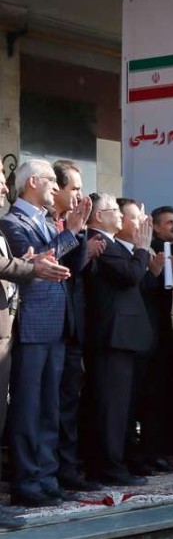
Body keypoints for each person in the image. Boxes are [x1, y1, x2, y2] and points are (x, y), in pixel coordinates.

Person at [1, 159, 88, 507]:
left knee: (50, 406)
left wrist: (75, 232)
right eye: (51, 181)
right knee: (28, 406)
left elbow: (70, 266)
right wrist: (69, 233)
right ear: (33, 182)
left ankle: (47, 476)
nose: (56, 187)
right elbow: (33, 264)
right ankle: (26, 480)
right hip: (32, 323)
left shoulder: (47, 220)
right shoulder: (12, 222)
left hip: (56, 321)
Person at [81, 194, 154, 486]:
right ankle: (109, 466)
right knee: (111, 407)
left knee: (120, 406)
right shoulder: (99, 241)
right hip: (110, 337)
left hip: (122, 337)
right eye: (115, 212)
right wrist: (143, 249)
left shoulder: (110, 243)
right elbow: (130, 274)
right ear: (99, 216)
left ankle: (117, 460)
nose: (122, 218)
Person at [50, 160, 103, 492]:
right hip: (44, 328)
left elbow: (76, 272)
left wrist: (79, 233)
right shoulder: (44, 224)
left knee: (69, 402)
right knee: (47, 407)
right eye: (75, 189)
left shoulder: (73, 226)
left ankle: (66, 469)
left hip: (72, 327)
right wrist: (72, 232)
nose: (80, 197)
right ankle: (45, 471)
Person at [142, 206, 173, 460]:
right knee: (155, 397)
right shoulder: (152, 251)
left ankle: (172, 445)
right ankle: (153, 450)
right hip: (156, 335)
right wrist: (158, 271)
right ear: (156, 226)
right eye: (169, 222)